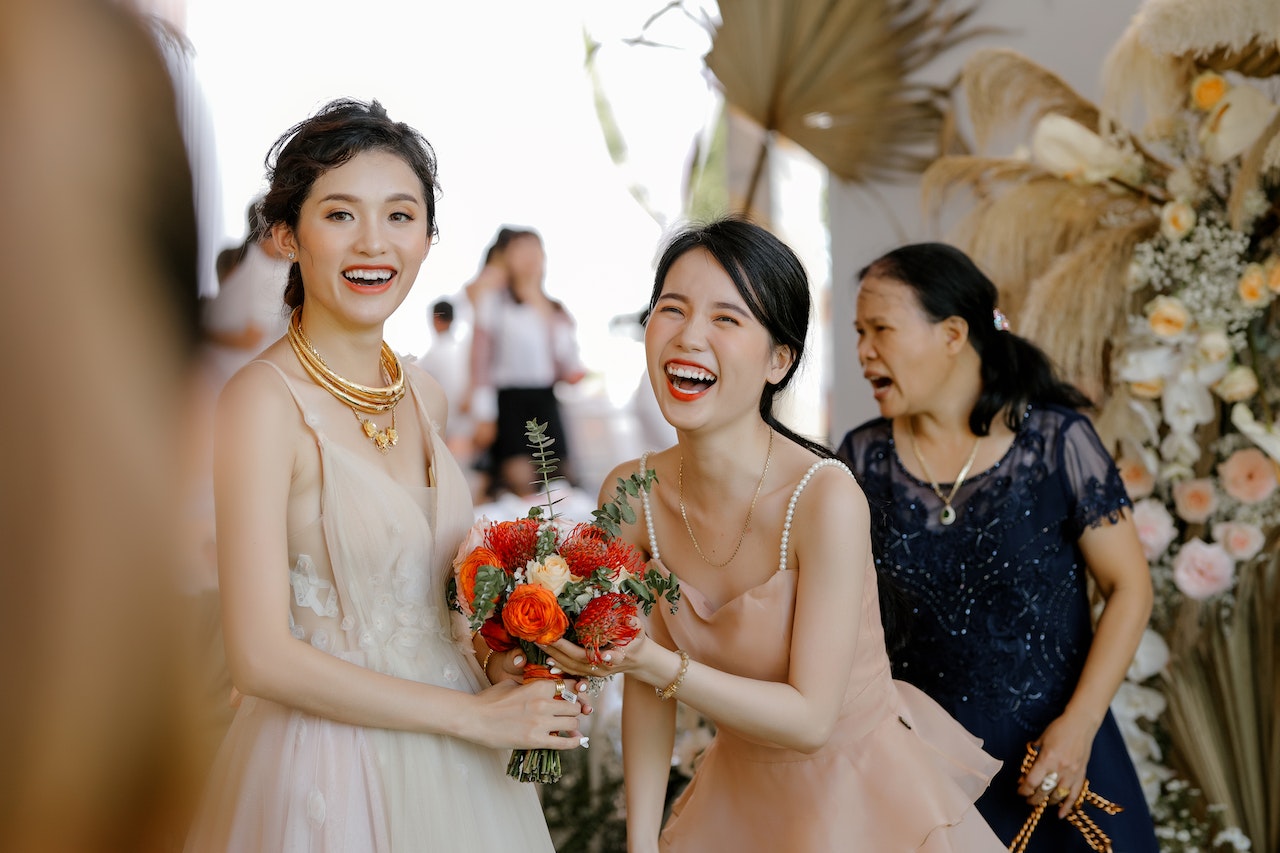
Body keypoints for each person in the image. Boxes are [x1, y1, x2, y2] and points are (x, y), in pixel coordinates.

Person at [183, 98, 588, 852]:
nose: (374, 242)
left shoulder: (426, 395)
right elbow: (259, 657)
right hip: (330, 767)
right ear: (286, 235)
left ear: (428, 237)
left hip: (461, 759)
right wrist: (470, 717)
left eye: (400, 216)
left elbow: (433, 601)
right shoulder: (261, 403)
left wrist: (504, 662)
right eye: (340, 214)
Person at [543, 218, 1006, 852]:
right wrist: (641, 843)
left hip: (863, 803)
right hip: (736, 802)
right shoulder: (631, 495)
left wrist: (650, 660)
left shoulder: (824, 498)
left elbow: (811, 720)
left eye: (726, 319)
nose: (689, 336)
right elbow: (646, 689)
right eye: (671, 309)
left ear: (778, 360)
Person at [835, 243, 1159, 852]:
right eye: (858, 333)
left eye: (881, 329)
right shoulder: (860, 458)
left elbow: (1130, 588)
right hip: (924, 783)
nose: (863, 351)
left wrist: (1080, 726)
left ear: (953, 334)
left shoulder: (1057, 441)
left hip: (1058, 765)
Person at [469, 226, 586, 498]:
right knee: (519, 479)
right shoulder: (495, 304)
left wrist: (546, 315)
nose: (529, 257)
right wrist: (484, 414)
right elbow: (481, 363)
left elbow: (570, 367)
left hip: (545, 399)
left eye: (535, 249)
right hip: (510, 400)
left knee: (560, 480)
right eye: (520, 249)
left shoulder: (555, 309)